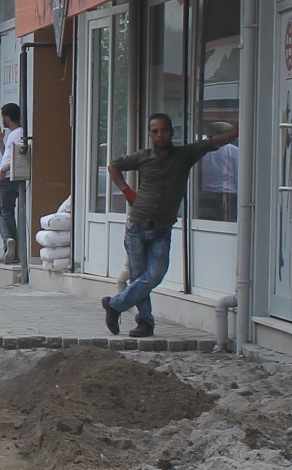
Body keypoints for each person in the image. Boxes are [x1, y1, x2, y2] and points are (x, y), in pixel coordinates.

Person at [102, 112, 242, 337]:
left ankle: (115, 304)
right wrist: (128, 192)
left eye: (164, 130)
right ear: (150, 134)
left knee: (155, 274)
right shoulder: (142, 157)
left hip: (162, 228)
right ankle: (145, 323)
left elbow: (212, 143)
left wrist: (235, 133)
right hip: (137, 225)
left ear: (172, 132)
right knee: (138, 277)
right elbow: (113, 166)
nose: (160, 134)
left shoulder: (184, 155)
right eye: (155, 131)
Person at [0, 103, 26, 264]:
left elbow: (19, 157)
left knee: (2, 213)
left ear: (7, 117)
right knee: (3, 213)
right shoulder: (14, 134)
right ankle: (10, 247)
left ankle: (10, 243)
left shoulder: (18, 134)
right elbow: (8, 155)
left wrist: (4, 170)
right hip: (8, 176)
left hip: (7, 178)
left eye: (3, 118)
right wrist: (1, 142)